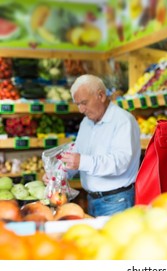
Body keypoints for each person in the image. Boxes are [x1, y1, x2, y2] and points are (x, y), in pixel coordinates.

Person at [43, 74, 141, 216]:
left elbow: (120, 163)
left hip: (117, 201)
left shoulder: (123, 121)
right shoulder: (86, 123)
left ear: (100, 96)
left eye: (84, 102)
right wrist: (57, 174)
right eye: (78, 104)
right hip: (92, 200)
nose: (81, 110)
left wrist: (82, 161)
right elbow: (77, 155)